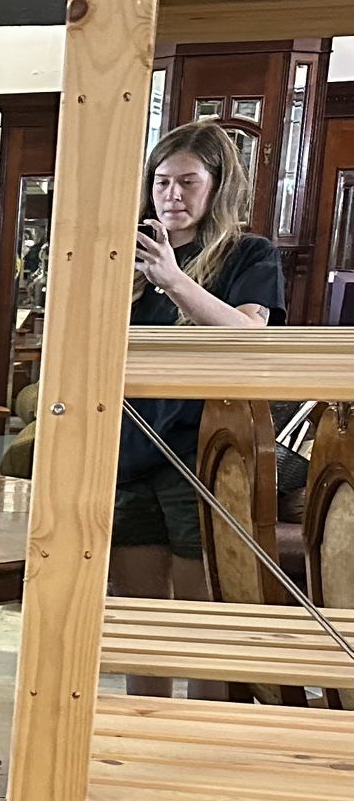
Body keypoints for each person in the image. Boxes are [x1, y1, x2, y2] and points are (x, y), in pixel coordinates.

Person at [113, 120, 284, 694]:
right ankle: (145, 735)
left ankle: (203, 728)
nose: (173, 196)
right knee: (140, 616)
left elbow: (250, 335)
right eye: (161, 182)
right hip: (128, 447)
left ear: (218, 188)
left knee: (199, 609)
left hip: (203, 453)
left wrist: (173, 279)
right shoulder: (124, 253)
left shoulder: (248, 253)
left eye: (188, 182)